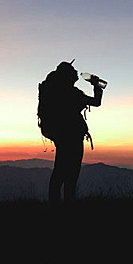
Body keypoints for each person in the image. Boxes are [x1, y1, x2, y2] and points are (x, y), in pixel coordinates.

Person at [38, 61, 104, 205]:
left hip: (62, 135)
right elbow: (96, 102)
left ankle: (56, 203)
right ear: (67, 75)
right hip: (72, 135)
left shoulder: (58, 91)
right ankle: (68, 202)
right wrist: (96, 85)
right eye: (73, 71)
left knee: (60, 169)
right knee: (71, 171)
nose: (76, 73)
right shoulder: (70, 92)